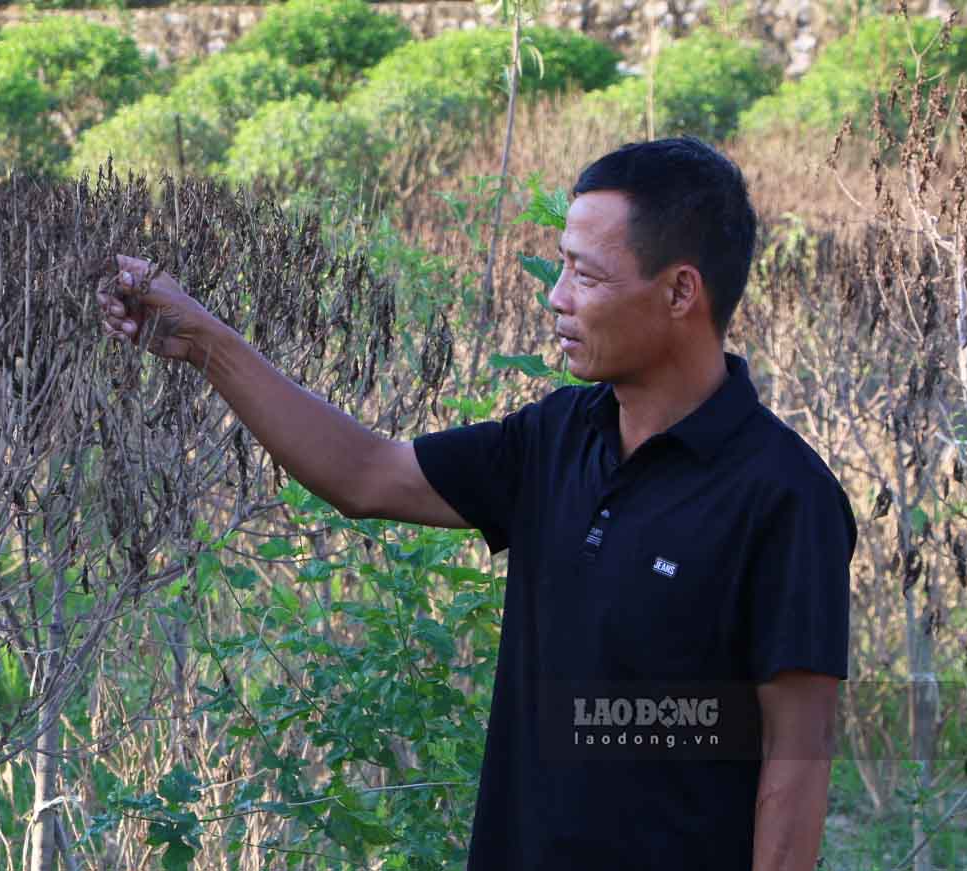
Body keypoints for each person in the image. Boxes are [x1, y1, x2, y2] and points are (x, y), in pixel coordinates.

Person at [96, 137, 854, 871]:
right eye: (560, 268)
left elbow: (798, 762)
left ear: (681, 290)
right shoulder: (556, 437)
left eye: (585, 277)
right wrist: (202, 341)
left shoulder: (784, 498)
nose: (556, 298)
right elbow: (365, 472)